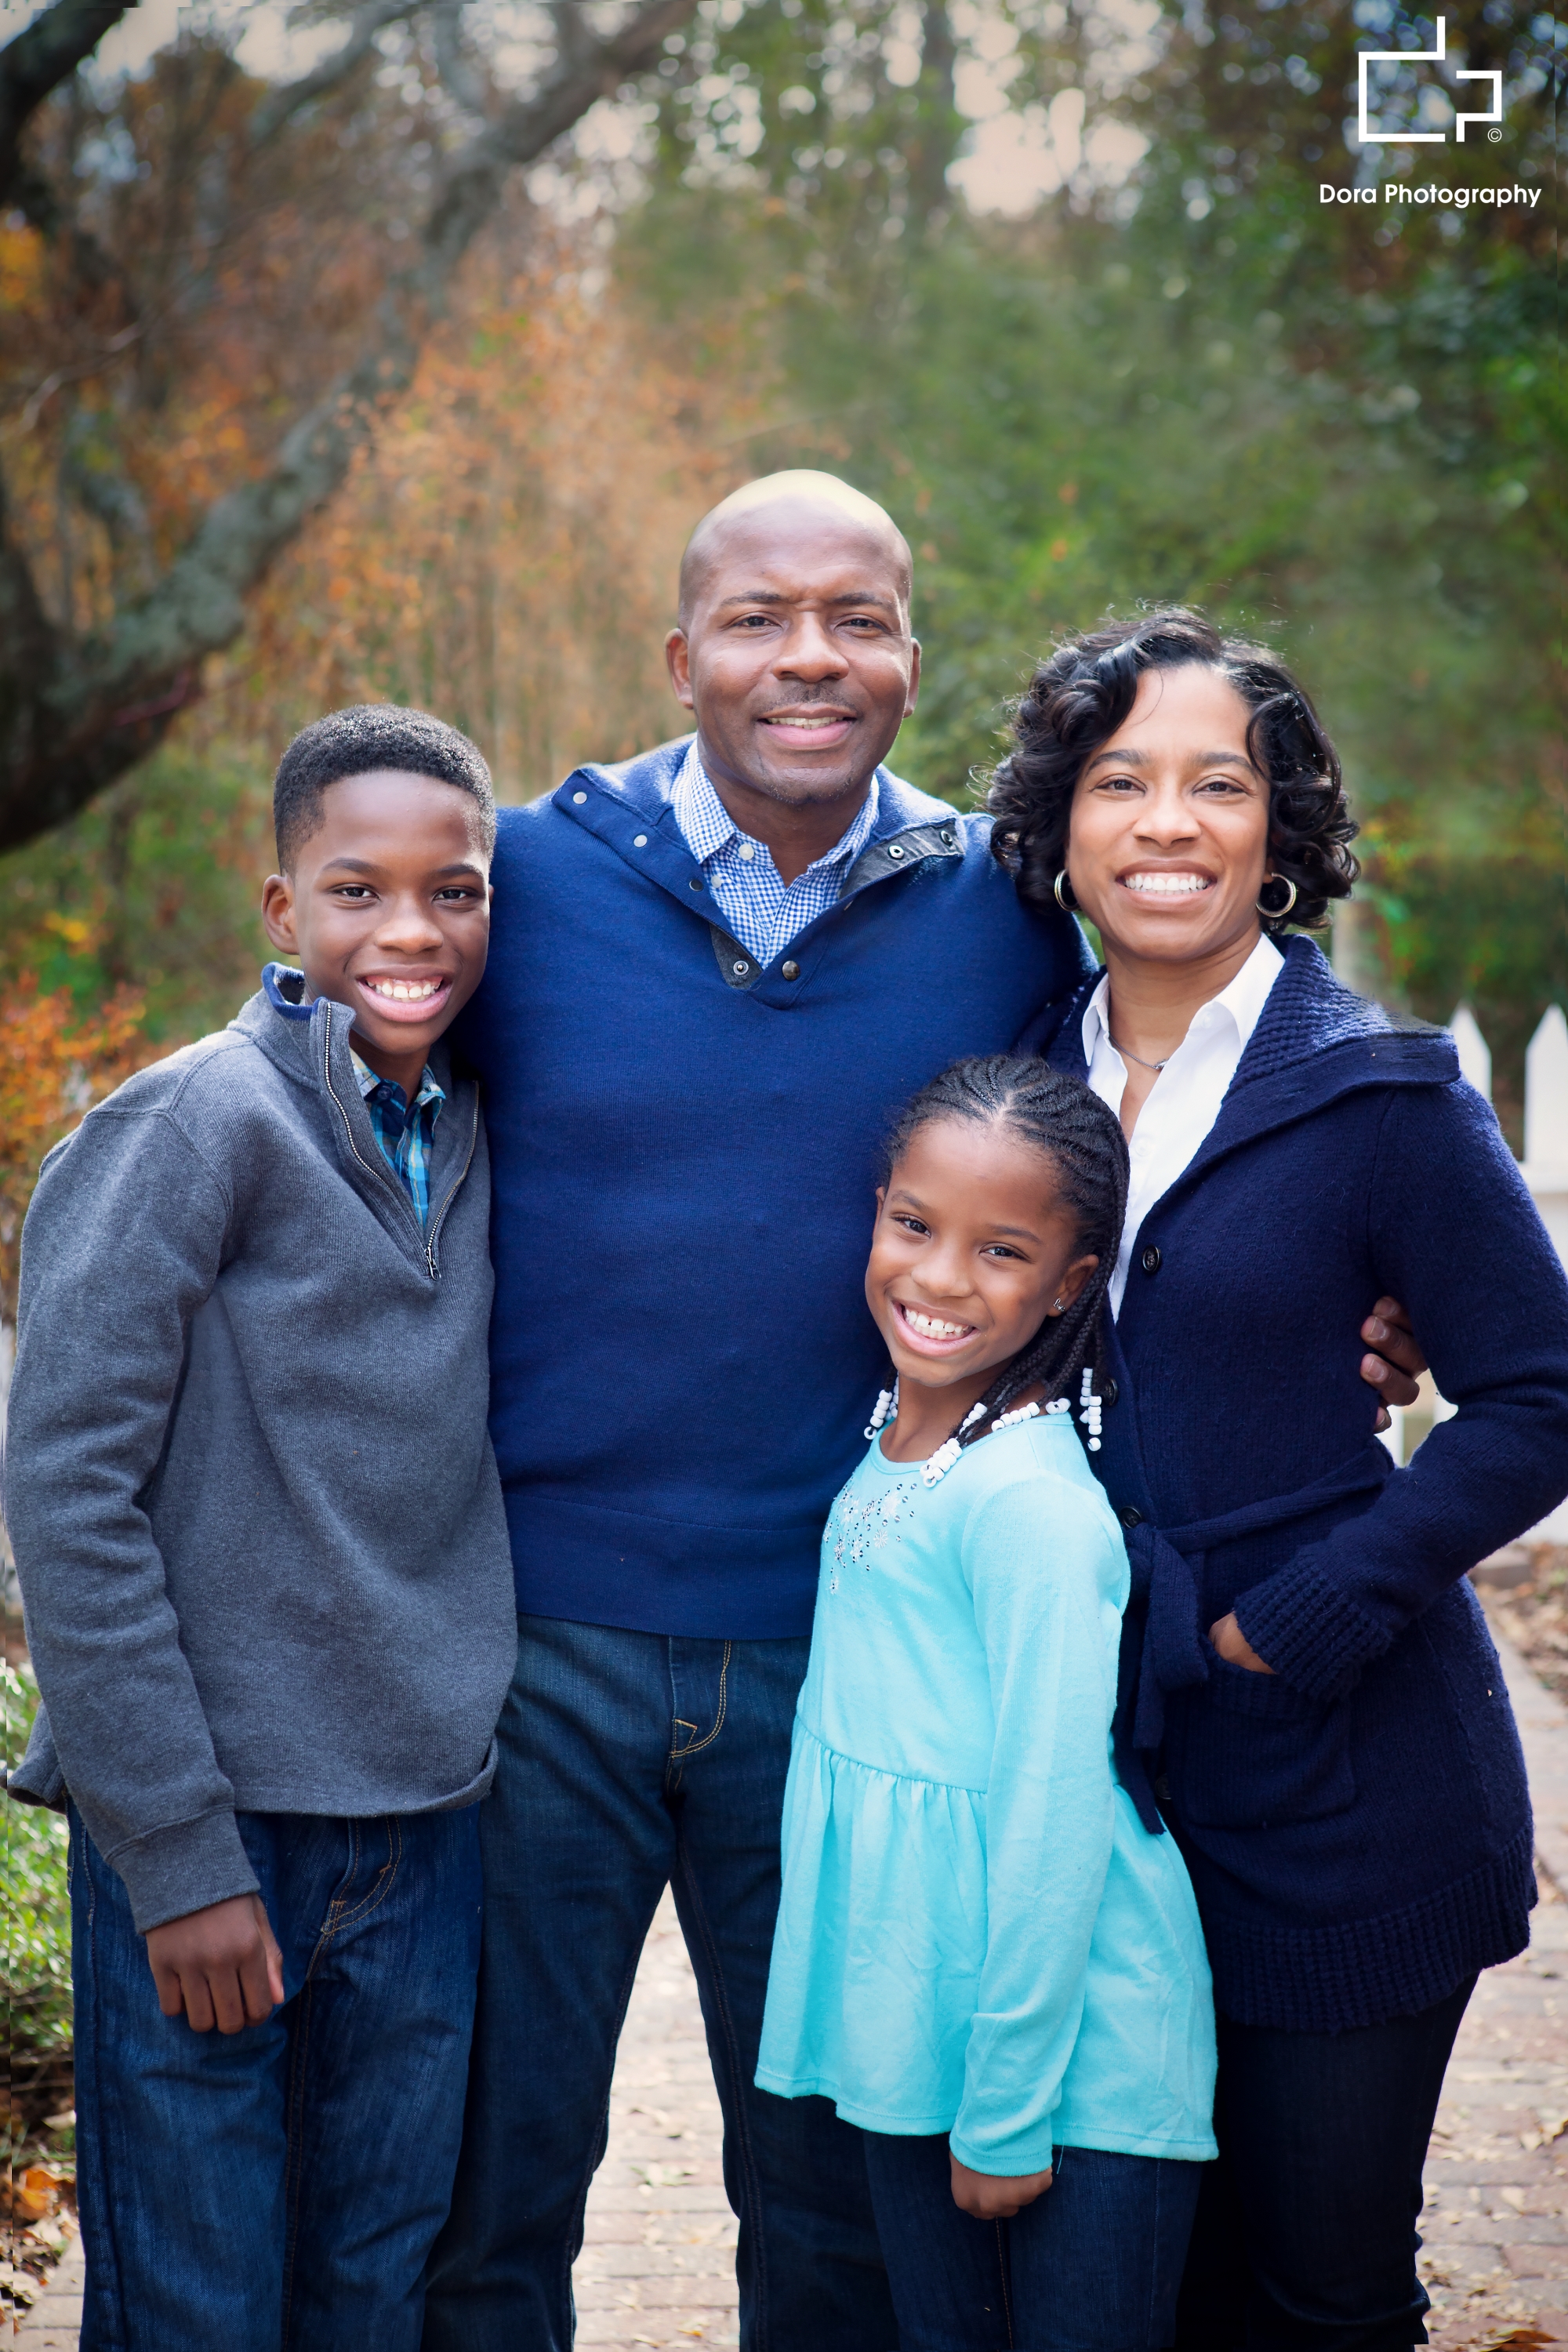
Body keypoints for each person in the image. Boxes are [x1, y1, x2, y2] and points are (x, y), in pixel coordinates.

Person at [421, 474, 1427, 2352]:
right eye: (756, 618)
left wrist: (1339, 1317)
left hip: (850, 1647)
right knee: (491, 2186)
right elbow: (355, 1053)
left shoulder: (1005, 911)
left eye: (857, 618)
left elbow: (1144, 1144)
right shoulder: (533, 881)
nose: (808, 658)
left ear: (908, 651)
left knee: (830, 2199)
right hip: (535, 1638)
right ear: (680, 654)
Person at [987, 610, 1568, 2350]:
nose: (1168, 822)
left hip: (1345, 1791)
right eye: (1121, 782)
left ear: (1277, 830)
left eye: (1216, 784)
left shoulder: (1381, 1092)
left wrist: (1307, 1613)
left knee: (1315, 2298)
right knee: (1147, 2285)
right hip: (1100, 1797)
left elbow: (1537, 1396)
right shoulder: (1018, 1084)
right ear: (1062, 826)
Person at [4, 709, 520, 2351]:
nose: (413, 931)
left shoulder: (472, 1131)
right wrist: (174, 1856)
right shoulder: (190, 1123)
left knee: (370, 2290)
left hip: (422, 1822)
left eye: (456, 890)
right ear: (284, 909)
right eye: (359, 890)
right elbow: (68, 1491)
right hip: (220, 1830)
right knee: (198, 2307)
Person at [757, 1057, 1218, 2351]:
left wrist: (1007, 2102)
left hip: (1070, 2072)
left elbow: (1054, 1811)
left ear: (1072, 1284)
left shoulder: (1029, 1505)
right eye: (914, 1225)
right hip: (922, 2040)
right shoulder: (904, 1432)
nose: (941, 1278)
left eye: (1001, 1251)